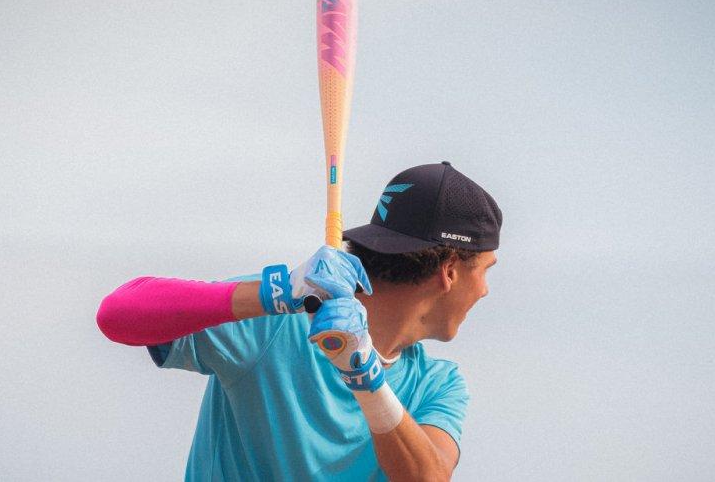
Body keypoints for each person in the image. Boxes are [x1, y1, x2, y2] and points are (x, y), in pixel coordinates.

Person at [96, 161, 502, 481]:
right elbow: (116, 316)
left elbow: (427, 478)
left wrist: (365, 376)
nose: (484, 290)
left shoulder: (440, 383)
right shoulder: (274, 321)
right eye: (485, 269)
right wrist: (275, 292)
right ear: (450, 269)